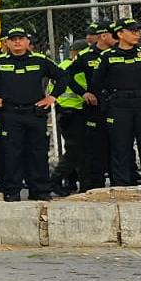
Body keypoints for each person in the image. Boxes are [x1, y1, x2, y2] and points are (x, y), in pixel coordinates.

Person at [0, 27, 68, 201]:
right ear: (7, 43)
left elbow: (63, 76)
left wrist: (53, 97)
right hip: (9, 114)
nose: (17, 42)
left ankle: (40, 191)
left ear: (28, 42)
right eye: (13, 39)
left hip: (34, 114)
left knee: (38, 153)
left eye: (21, 38)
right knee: (11, 154)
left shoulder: (40, 60)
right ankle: (12, 192)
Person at [91, 18, 141, 187]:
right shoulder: (107, 56)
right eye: (132, 31)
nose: (137, 34)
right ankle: (122, 185)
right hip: (119, 106)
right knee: (121, 148)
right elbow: (95, 83)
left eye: (138, 31)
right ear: (120, 34)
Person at [66, 22, 118, 189]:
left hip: (119, 106)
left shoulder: (120, 53)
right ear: (103, 36)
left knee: (120, 147)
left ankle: (121, 184)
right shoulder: (86, 56)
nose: (117, 38)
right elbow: (67, 75)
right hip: (96, 109)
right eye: (113, 35)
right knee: (96, 149)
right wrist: (84, 93)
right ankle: (96, 187)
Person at [50, 38, 93, 195]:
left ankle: (74, 182)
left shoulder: (62, 66)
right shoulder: (74, 67)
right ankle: (55, 179)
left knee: (79, 151)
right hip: (75, 112)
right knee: (77, 151)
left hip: (67, 112)